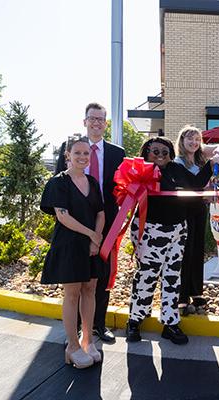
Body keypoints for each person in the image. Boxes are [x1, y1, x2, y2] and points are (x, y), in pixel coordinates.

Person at [126, 137, 219, 344]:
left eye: (165, 151)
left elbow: (196, 184)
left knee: (173, 277)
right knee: (147, 275)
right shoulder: (141, 169)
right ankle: (135, 320)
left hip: (177, 230)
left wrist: (211, 164)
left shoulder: (175, 168)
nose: (160, 155)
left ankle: (170, 322)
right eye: (155, 151)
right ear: (146, 152)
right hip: (151, 231)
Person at [55, 103, 125, 343]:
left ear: (106, 123)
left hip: (106, 220)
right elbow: (59, 184)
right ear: (84, 121)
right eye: (92, 118)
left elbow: (123, 187)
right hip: (75, 222)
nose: (96, 122)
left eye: (101, 119)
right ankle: (73, 331)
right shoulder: (72, 149)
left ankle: (98, 325)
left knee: (101, 274)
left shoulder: (118, 153)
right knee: (76, 275)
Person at [41, 135, 105, 369]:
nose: (82, 157)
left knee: (90, 289)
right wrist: (91, 235)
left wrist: (96, 241)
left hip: (91, 245)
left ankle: (87, 340)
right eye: (77, 152)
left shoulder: (92, 181)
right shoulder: (58, 183)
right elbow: (63, 216)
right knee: (72, 293)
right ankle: (72, 346)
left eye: (86, 153)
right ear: (67, 155)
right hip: (69, 244)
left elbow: (100, 213)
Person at [173, 125, 219, 315]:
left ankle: (196, 292)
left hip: (199, 209)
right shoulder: (177, 162)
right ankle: (181, 296)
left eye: (197, 139)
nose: (194, 142)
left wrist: (218, 153)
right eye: (190, 139)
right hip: (182, 211)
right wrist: (211, 163)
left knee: (198, 250)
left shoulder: (198, 160)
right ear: (182, 141)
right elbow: (195, 184)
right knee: (185, 252)